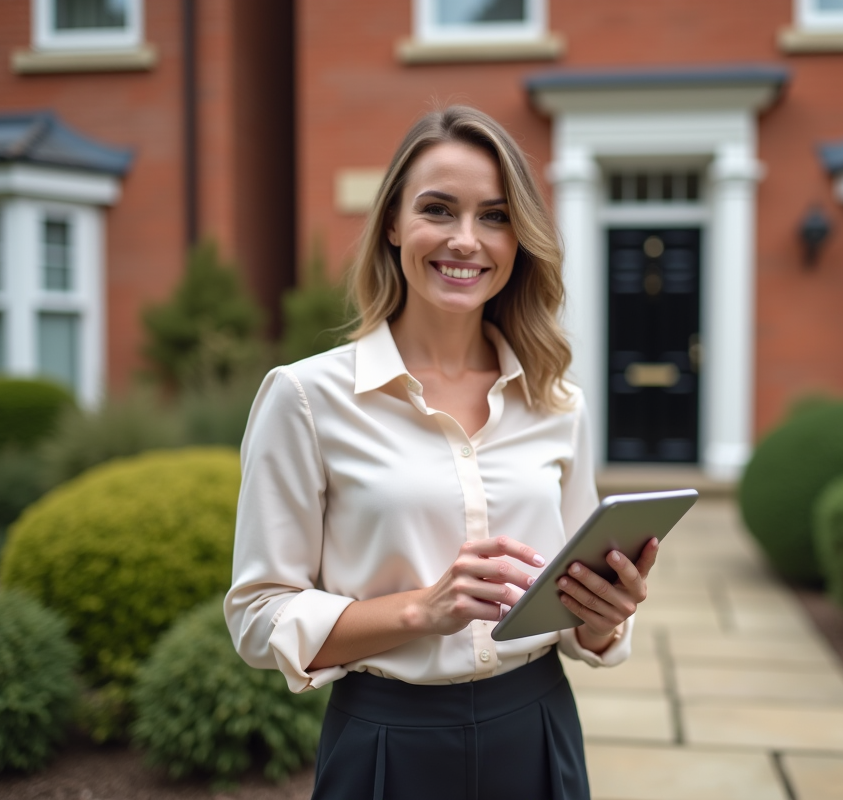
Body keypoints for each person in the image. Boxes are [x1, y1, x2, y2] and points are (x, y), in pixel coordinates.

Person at [225, 105, 661, 800]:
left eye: (494, 216)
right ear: (393, 225)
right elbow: (257, 617)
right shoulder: (305, 397)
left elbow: (574, 608)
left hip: (538, 727)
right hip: (386, 743)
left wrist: (604, 617)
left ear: (519, 239)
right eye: (438, 210)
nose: (466, 240)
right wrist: (420, 611)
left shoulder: (557, 403)